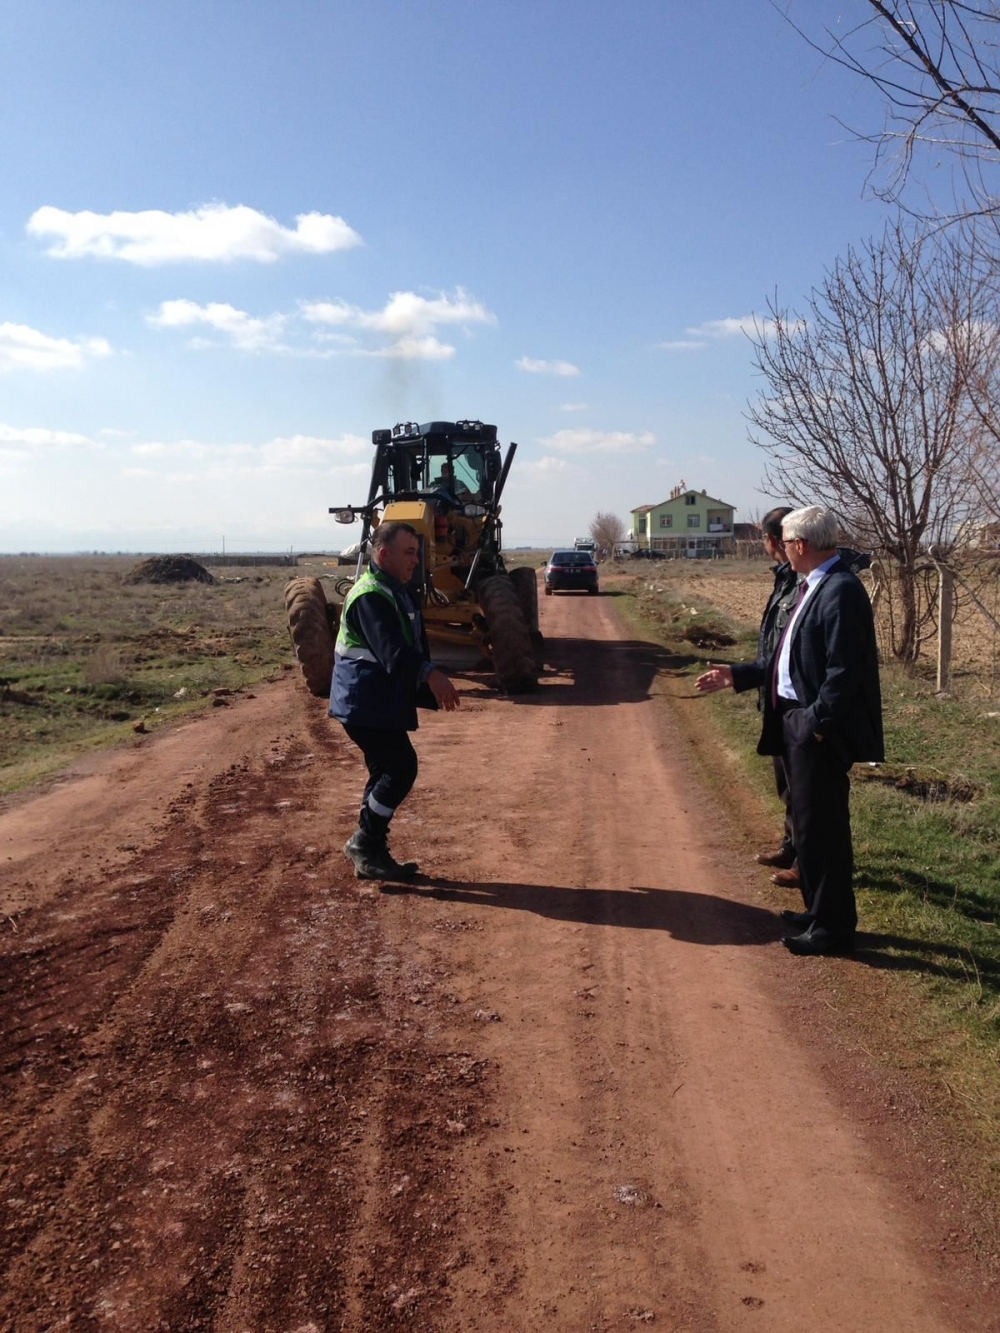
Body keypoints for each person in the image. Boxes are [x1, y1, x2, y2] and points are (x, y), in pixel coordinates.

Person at [761, 506, 883, 955]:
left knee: (825, 833)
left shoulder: (841, 590)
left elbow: (844, 671)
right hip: (798, 722)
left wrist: (817, 724)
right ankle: (817, 911)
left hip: (817, 730)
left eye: (787, 544)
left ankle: (832, 929)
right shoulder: (815, 585)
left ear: (801, 545)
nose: (784, 552)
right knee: (809, 831)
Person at [330, 521, 460, 880]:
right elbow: (394, 652)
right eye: (408, 552)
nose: (415, 560)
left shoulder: (397, 589)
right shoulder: (371, 594)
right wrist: (431, 675)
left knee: (386, 769)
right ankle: (364, 842)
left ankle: (370, 849)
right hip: (363, 702)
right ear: (383, 554)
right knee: (401, 767)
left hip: (375, 701)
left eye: (417, 552)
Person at [696, 507, 800, 887]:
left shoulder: (805, 583)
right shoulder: (787, 578)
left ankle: (807, 862)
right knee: (787, 784)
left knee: (805, 790)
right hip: (776, 695)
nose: (766, 544)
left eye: (767, 538)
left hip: (796, 704)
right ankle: (792, 846)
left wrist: (746, 675)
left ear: (776, 541)